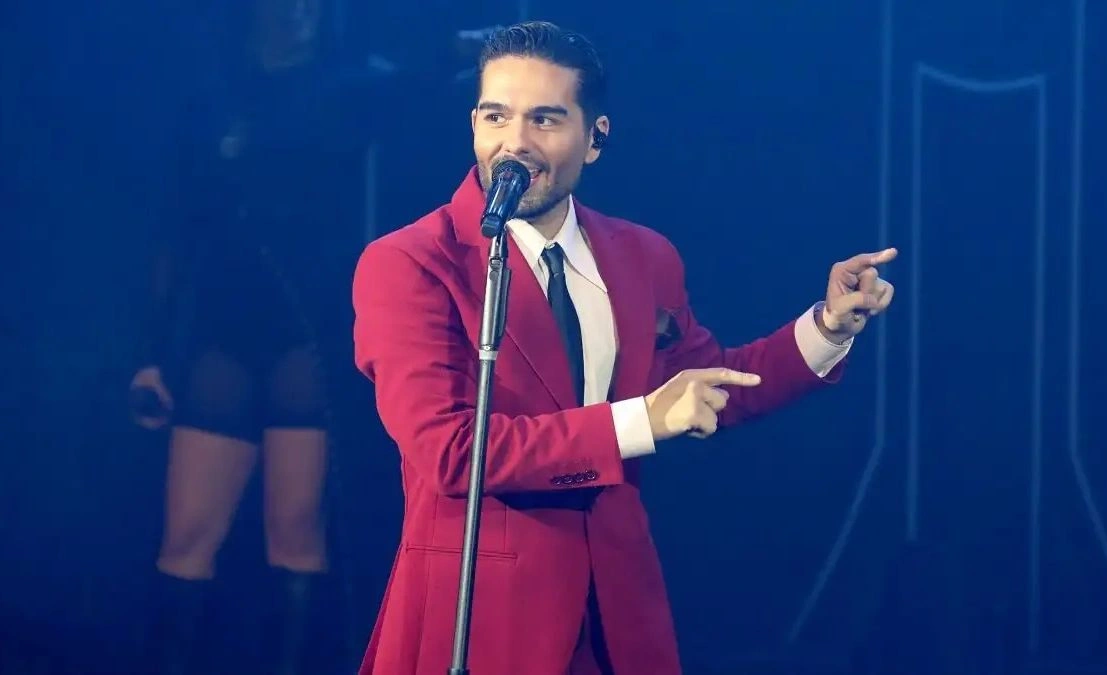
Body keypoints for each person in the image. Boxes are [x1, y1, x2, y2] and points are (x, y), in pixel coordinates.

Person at [350, 20, 896, 675]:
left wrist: (828, 327)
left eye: (545, 119)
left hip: (616, 612)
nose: (514, 143)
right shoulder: (412, 263)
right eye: (496, 117)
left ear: (595, 138)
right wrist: (639, 422)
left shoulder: (642, 257)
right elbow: (451, 452)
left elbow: (704, 386)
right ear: (473, 125)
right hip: (483, 614)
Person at [127, 2, 350, 672]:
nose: (303, 12)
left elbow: (412, 80)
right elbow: (173, 230)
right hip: (224, 329)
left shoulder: (343, 89)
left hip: (305, 333)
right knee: (188, 535)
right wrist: (151, 356)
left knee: (297, 533)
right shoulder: (212, 97)